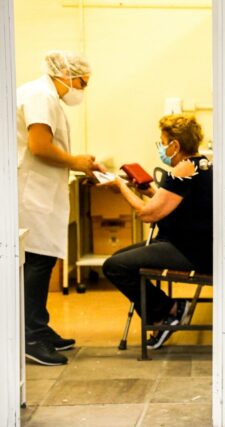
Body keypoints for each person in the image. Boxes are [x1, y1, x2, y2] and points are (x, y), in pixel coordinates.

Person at [17, 50, 104, 366]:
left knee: (43, 259)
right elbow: (39, 146)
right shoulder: (40, 95)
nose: (82, 89)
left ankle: (38, 327)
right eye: (82, 82)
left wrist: (78, 164)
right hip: (31, 193)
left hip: (40, 191)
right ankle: (30, 336)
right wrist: (75, 161)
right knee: (37, 262)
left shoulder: (46, 96)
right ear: (66, 74)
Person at [102, 114, 212, 350]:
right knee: (118, 260)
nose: (161, 148)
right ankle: (168, 311)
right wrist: (148, 191)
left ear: (175, 145)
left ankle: (168, 312)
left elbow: (147, 214)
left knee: (115, 266)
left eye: (163, 142)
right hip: (190, 245)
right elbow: (173, 203)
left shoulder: (183, 169)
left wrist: (120, 186)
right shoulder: (199, 164)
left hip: (188, 250)